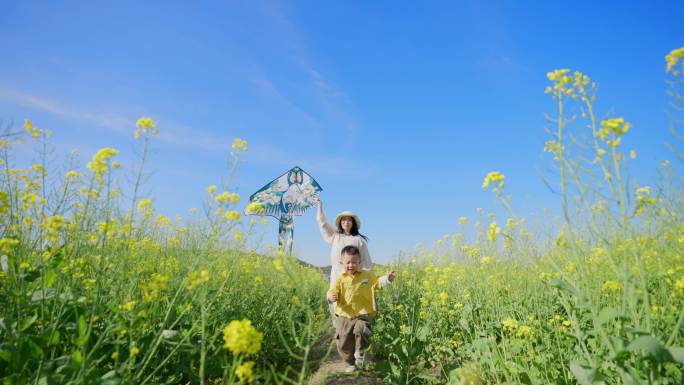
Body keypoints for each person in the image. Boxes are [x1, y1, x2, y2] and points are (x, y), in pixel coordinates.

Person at [327, 245, 396, 372]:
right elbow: (332, 292)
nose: (351, 265)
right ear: (342, 263)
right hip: (344, 315)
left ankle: (360, 353)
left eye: (354, 262)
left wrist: (388, 279)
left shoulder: (366, 276)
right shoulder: (340, 279)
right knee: (343, 342)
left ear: (360, 262)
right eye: (348, 262)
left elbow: (377, 283)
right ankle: (350, 363)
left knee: (361, 329)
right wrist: (331, 297)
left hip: (362, 314)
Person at [315, 196, 372, 288]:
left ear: (353, 223)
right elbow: (323, 223)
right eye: (344, 220)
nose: (346, 222)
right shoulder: (335, 235)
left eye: (349, 220)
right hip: (337, 276)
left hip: (353, 278)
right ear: (340, 222)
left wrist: (365, 283)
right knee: (335, 299)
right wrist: (319, 206)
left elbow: (366, 262)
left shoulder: (359, 240)